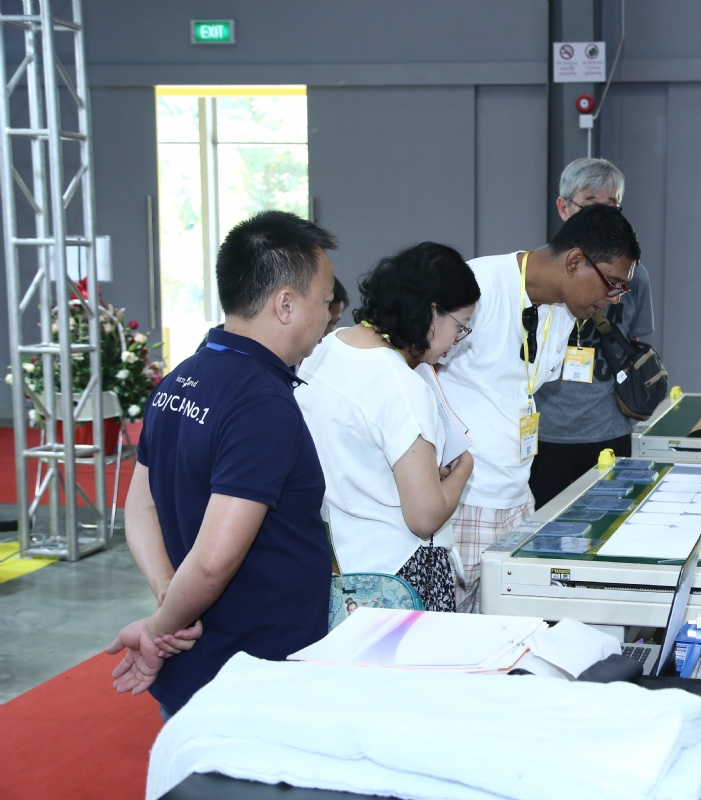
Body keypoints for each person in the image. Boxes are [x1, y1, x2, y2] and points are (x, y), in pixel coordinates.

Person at [106, 210, 337, 716]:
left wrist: (168, 594)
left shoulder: (181, 377)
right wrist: (160, 627)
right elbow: (213, 562)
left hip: (198, 667)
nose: (327, 316)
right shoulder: (260, 402)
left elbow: (139, 507)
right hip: (252, 676)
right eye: (324, 302)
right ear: (285, 304)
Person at [438, 204, 642, 612]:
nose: (613, 299)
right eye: (612, 285)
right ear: (575, 261)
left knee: (511, 630)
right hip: (465, 502)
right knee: (454, 630)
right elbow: (420, 368)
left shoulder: (565, 312)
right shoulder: (476, 287)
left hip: (517, 497)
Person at [296, 243, 479, 611]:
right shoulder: (402, 385)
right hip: (397, 576)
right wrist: (464, 468)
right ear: (432, 311)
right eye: (460, 327)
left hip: (335, 561)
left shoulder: (328, 347)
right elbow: (425, 517)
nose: (456, 343)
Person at [529, 158, 655, 509]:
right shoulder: (540, 272)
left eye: (611, 206)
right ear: (564, 207)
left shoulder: (634, 276)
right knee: (543, 526)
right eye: (590, 204)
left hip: (608, 429)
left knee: (610, 520)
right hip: (543, 432)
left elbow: (632, 348)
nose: (601, 216)